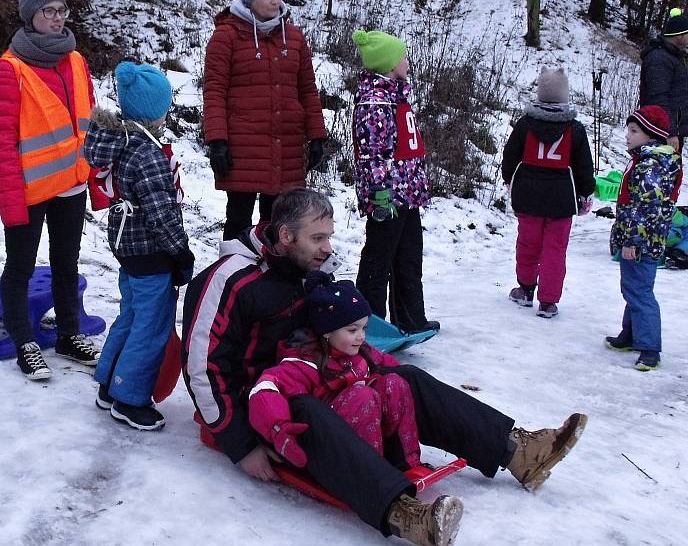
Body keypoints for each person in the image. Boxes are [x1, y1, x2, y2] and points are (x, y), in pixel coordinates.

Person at [182, 187, 588, 546]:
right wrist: (241, 444)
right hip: (261, 406)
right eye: (318, 238)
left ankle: (518, 450)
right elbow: (202, 368)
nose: (328, 248)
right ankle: (403, 513)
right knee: (308, 411)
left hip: (312, 374)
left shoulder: (309, 270)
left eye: (329, 237)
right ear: (286, 236)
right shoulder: (229, 279)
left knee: (401, 376)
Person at [0, 0, 105, 381]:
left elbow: (88, 123)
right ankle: (25, 342)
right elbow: (3, 142)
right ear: (30, 16)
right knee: (19, 268)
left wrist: (95, 173)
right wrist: (9, 199)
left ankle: (70, 335)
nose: (57, 19)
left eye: (61, 11)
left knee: (66, 263)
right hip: (29, 188)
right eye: (48, 12)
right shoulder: (11, 69)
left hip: (71, 183)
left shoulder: (75, 59)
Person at [83, 61, 194, 429]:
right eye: (165, 106)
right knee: (152, 324)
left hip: (128, 247)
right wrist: (179, 251)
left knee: (130, 315)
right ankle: (129, 398)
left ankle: (109, 381)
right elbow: (161, 212)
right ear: (154, 111)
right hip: (150, 251)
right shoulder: (148, 154)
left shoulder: (123, 142)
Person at [248, 271, 422, 472]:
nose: (361, 336)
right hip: (329, 442)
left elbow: (391, 367)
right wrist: (279, 428)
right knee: (362, 395)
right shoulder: (303, 363)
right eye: (352, 330)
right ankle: (372, 474)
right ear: (328, 331)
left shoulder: (360, 352)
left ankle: (405, 461)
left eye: (364, 328)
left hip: (367, 432)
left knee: (395, 382)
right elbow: (266, 388)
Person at [202, 0, 327, 240]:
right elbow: (214, 92)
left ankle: (271, 276)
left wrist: (316, 135)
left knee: (277, 221)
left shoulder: (293, 38)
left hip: (287, 146)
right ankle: (233, 274)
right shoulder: (226, 36)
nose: (275, 2)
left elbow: (307, 90)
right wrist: (217, 141)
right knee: (238, 218)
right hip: (243, 147)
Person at [350, 30, 439, 335]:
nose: (406, 60)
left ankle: (411, 319)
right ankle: (368, 326)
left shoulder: (397, 95)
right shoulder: (375, 102)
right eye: (402, 56)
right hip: (387, 198)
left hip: (409, 195)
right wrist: (379, 194)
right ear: (388, 63)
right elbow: (371, 154)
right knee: (378, 262)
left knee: (409, 259)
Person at [501, 67, 595, 318]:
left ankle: (525, 289)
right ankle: (548, 302)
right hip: (562, 199)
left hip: (528, 195)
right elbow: (584, 166)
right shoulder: (574, 129)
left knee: (528, 244)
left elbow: (510, 155)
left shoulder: (526, 124)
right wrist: (586, 194)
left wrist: (509, 179)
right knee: (555, 249)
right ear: (564, 96)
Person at [605, 106, 682, 371]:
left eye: (634, 131)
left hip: (642, 242)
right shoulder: (647, 160)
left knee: (640, 292)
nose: (627, 135)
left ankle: (650, 348)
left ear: (651, 136)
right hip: (642, 240)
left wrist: (632, 242)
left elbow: (645, 207)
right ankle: (631, 334)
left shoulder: (650, 166)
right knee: (633, 288)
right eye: (628, 130)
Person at [639, 8, 688, 154]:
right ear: (679, 36)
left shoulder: (676, 57)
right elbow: (658, 97)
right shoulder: (659, 58)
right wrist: (670, 132)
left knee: (672, 173)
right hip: (660, 132)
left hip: (672, 130)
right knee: (658, 173)